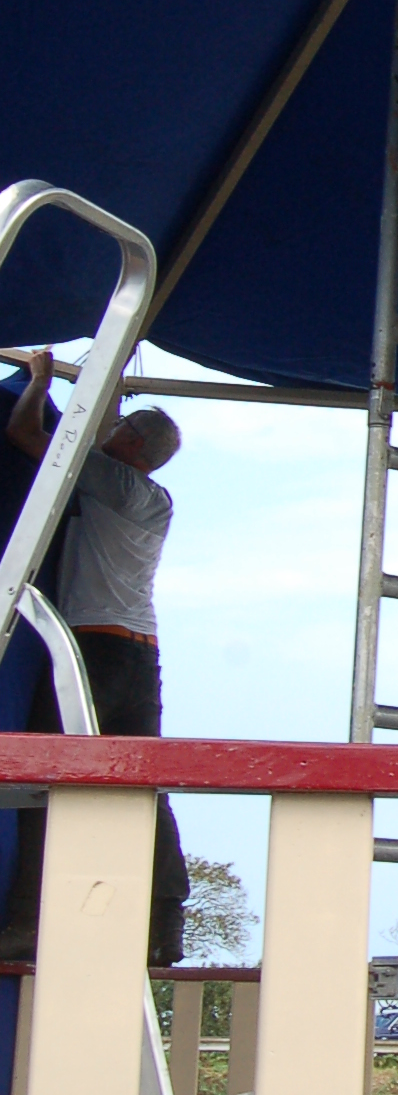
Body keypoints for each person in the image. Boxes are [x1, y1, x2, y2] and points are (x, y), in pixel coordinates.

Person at [0, 356, 191, 968]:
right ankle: (165, 920)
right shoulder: (157, 498)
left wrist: (38, 381)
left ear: (131, 443)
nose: (109, 432)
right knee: (142, 783)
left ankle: (27, 921)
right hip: (142, 652)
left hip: (92, 647)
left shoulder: (107, 478)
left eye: (120, 428)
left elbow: (25, 435)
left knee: (46, 772)